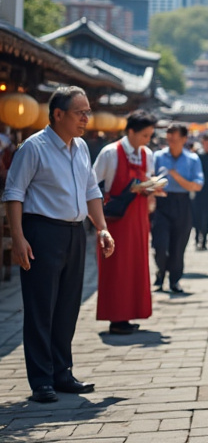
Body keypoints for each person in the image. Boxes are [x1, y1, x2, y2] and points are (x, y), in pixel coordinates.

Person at [2, 86, 115, 403]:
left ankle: (62, 373)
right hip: (42, 232)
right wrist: (19, 237)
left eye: (88, 111)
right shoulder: (33, 148)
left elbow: (92, 191)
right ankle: (41, 380)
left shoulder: (80, 148)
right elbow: (14, 194)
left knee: (67, 305)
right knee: (41, 307)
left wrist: (102, 229)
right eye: (80, 112)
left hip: (75, 233)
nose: (86, 118)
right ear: (58, 114)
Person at [92, 109, 160, 335]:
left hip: (138, 216)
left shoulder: (147, 154)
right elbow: (92, 185)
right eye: (144, 135)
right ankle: (116, 317)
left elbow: (147, 179)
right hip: (116, 219)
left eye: (150, 136)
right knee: (117, 267)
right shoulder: (110, 153)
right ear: (131, 131)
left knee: (136, 266)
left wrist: (152, 187)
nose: (147, 140)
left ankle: (131, 313)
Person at [152, 122, 203, 293]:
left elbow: (197, 186)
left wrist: (175, 176)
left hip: (182, 203)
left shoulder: (192, 159)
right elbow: (150, 178)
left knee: (178, 246)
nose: (171, 143)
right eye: (169, 139)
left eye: (175, 139)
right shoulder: (158, 156)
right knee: (159, 244)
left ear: (184, 139)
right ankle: (160, 272)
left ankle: (174, 280)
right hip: (161, 203)